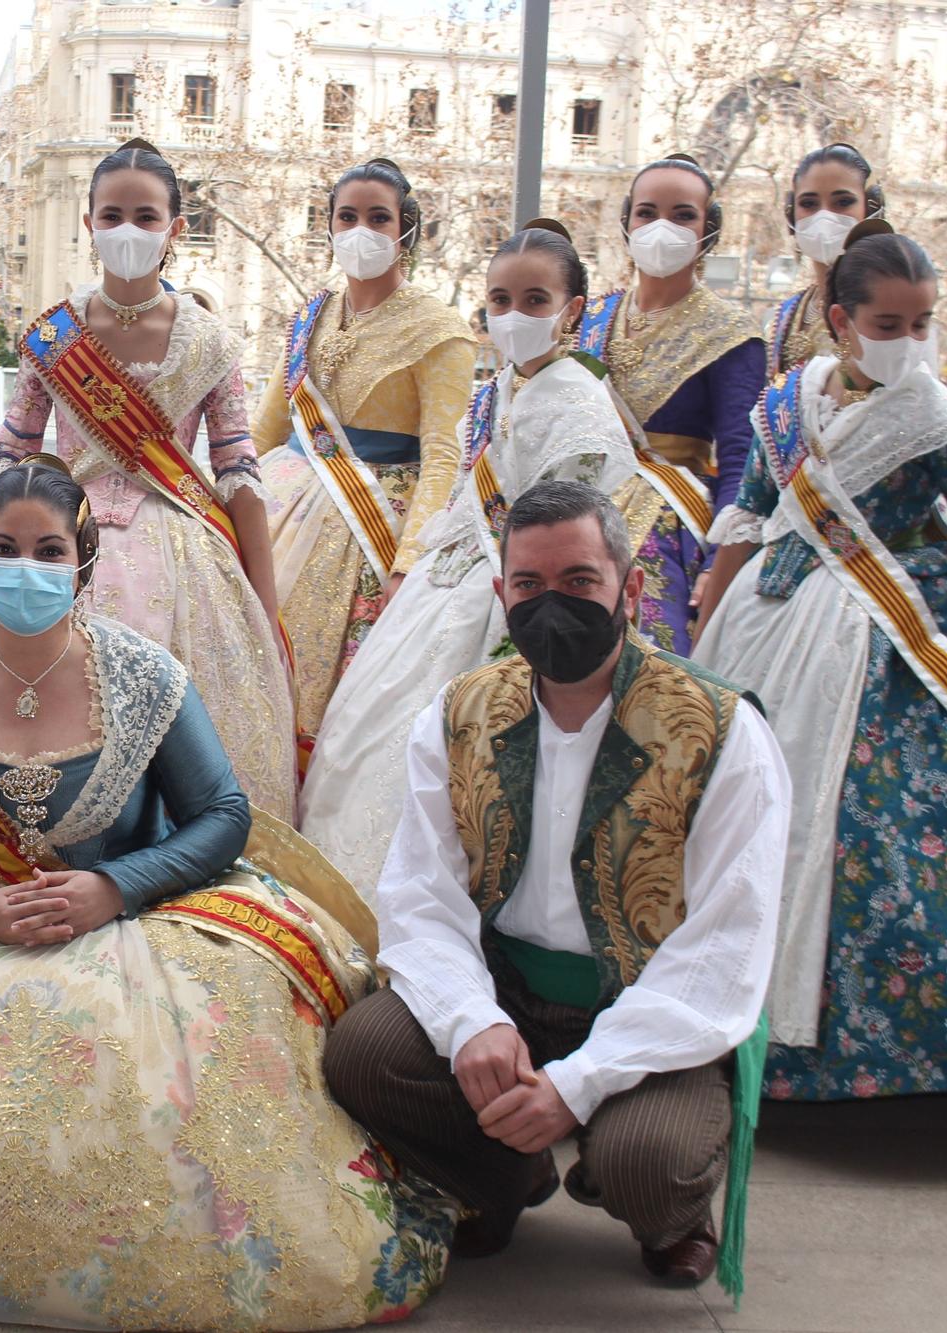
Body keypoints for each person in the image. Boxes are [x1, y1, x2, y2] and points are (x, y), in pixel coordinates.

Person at [0, 456, 454, 1329]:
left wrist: (114, 887)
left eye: (49, 549)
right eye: (4, 546)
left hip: (142, 915)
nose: (26, 567)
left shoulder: (145, 676)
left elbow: (223, 815)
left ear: (84, 559)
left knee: (179, 1067)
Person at [324, 479, 787, 1298]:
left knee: (645, 1161)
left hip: (652, 1000)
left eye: (579, 582)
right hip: (513, 995)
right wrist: (472, 1021)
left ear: (630, 588)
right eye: (529, 587)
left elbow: (723, 943)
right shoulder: (458, 712)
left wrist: (579, 1083)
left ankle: (672, 1210)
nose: (552, 606)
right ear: (500, 594)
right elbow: (422, 893)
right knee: (365, 1052)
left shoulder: (722, 730)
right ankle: (502, 1177)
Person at [696, 224, 947, 1101]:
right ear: (843, 321)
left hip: (903, 644)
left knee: (899, 822)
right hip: (774, 622)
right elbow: (752, 515)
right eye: (890, 323)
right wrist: (703, 625)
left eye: (923, 322)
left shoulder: (940, 418)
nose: (910, 342)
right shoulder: (786, 403)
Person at [299, 222, 697, 901]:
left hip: (521, 595)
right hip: (452, 573)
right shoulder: (497, 389)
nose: (513, 317)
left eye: (535, 300)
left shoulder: (578, 398)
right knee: (366, 731)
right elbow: (464, 488)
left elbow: (572, 520)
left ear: (572, 310)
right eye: (500, 300)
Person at [0, 138, 294, 816]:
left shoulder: (211, 342)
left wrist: (262, 606)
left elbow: (238, 471)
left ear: (175, 229)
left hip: (182, 552)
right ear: (88, 223)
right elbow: (10, 450)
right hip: (53, 538)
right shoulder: (51, 336)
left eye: (146, 217)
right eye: (112, 215)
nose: (128, 231)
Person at [256, 159, 474, 769]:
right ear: (327, 226)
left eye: (379, 218)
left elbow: (443, 453)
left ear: (407, 230)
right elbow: (266, 428)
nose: (361, 230)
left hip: (372, 534)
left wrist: (410, 562)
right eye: (346, 217)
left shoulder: (441, 330)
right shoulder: (311, 314)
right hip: (283, 505)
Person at [578, 154, 764, 646]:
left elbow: (743, 458)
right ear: (626, 223)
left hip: (667, 526)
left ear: (709, 228)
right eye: (647, 212)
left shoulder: (732, 334)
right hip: (578, 507)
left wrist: (720, 564)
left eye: (682, 215)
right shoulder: (593, 317)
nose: (662, 226)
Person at [768, 145, 885, 380]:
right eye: (809, 204)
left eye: (843, 202)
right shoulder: (788, 313)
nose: (824, 216)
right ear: (791, 215)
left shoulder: (890, 305)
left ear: (871, 207)